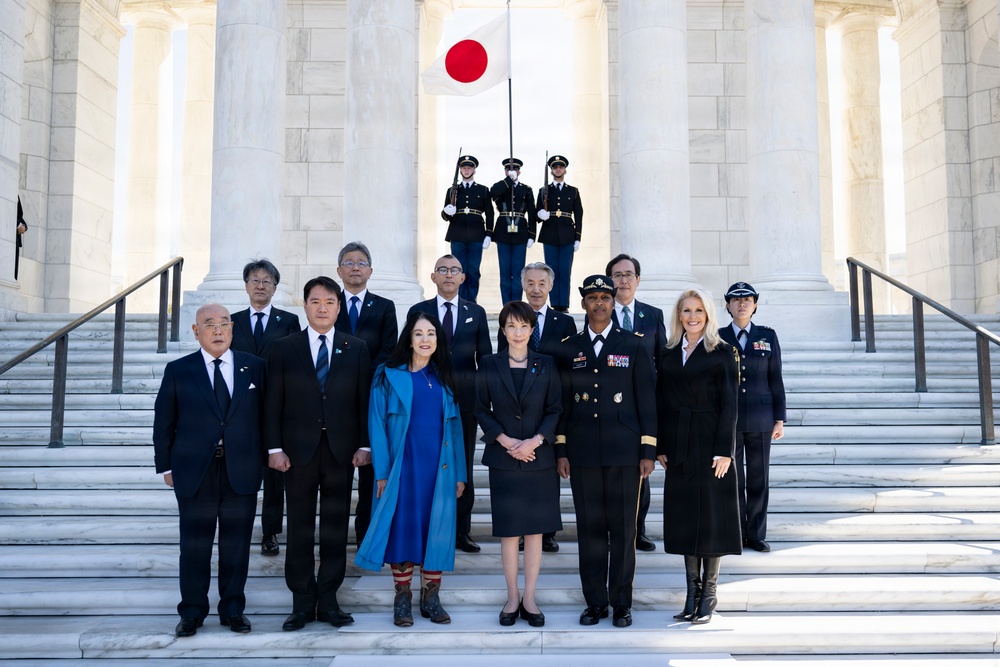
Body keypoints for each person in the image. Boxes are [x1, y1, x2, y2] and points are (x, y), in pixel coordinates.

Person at [264, 276, 371, 631]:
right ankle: (301, 602)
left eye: (329, 301)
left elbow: (363, 402)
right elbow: (272, 403)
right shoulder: (284, 348)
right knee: (298, 528)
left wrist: (365, 445)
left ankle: (328, 600)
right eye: (315, 301)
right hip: (297, 454)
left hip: (341, 453)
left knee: (335, 528)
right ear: (305, 305)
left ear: (339, 307)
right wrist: (275, 448)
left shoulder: (356, 348)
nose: (322, 307)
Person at [153, 303, 267, 637]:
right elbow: (164, 422)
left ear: (232, 329)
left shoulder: (254, 368)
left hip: (240, 470)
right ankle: (191, 611)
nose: (218, 331)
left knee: (236, 545)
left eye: (223, 324)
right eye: (209, 324)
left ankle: (233, 609)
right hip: (194, 472)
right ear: (195, 331)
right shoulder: (179, 370)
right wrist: (166, 466)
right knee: (194, 546)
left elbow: (265, 417)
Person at [555, 275, 657, 628]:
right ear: (583, 303)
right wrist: (562, 449)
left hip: (625, 453)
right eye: (592, 297)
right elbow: (563, 404)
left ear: (615, 302)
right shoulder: (569, 347)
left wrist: (648, 448)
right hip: (582, 453)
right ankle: (595, 602)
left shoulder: (634, 344)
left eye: (605, 297)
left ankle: (621, 603)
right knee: (590, 530)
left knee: (623, 531)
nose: (599, 303)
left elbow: (647, 398)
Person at [355, 312, 467, 627]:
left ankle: (431, 597)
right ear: (409, 338)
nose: (425, 339)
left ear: (438, 340)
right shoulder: (386, 375)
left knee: (436, 530)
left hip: (439, 468)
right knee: (403, 530)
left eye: (431, 333)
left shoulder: (445, 378)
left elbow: (456, 429)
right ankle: (402, 598)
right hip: (403, 468)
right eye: (418, 333)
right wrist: (382, 473)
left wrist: (460, 474)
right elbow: (376, 426)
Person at [475, 301, 563, 627]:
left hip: (539, 458)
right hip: (504, 458)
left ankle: (530, 597)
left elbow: (555, 409)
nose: (517, 332)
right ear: (503, 329)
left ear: (532, 329)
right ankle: (512, 597)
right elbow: (480, 408)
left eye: (524, 326)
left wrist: (536, 440)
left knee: (536, 532)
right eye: (511, 325)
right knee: (510, 533)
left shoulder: (547, 364)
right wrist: (506, 440)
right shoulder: (489, 363)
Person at [657, 288, 741, 625]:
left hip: (711, 444)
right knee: (686, 518)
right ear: (678, 316)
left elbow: (731, 405)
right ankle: (690, 593)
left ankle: (709, 594)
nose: (692, 317)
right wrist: (661, 445)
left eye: (698, 311)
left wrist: (725, 450)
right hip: (679, 444)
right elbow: (661, 402)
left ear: (708, 315)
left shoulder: (723, 352)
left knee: (711, 519)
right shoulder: (666, 354)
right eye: (686, 311)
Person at [408, 255, 491, 554]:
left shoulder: (476, 312)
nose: (448, 275)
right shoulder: (419, 311)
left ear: (463, 278)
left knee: (462, 464)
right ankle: (428, 527)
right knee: (428, 463)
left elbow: (486, 359)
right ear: (433, 277)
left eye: (454, 270)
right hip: (427, 400)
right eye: (442, 270)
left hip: (465, 402)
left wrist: (484, 401)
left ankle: (461, 530)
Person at [497, 262, 576, 553]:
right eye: (530, 282)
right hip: (518, 407)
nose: (536, 288)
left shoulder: (563, 322)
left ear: (551, 286)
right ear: (523, 285)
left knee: (548, 470)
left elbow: (569, 364)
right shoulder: (510, 319)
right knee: (519, 471)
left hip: (551, 407)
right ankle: (518, 529)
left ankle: (546, 530)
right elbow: (501, 360)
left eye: (542, 283)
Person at [229, 258, 301, 557]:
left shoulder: (288, 321)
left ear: (275, 287)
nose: (261, 285)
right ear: (246, 285)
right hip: (240, 410)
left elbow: (295, 364)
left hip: (276, 409)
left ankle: (270, 532)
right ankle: (238, 527)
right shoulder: (231, 321)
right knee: (241, 473)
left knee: (274, 477)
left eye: (267, 281)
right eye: (255, 280)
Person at [334, 241, 398, 546]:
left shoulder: (385, 307)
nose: (355, 267)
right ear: (339, 270)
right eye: (349, 262)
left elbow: (389, 350)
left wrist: (366, 380)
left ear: (370, 270)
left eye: (361, 262)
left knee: (372, 475)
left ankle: (368, 536)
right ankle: (334, 536)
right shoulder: (329, 305)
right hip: (336, 401)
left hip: (375, 399)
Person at [718, 282, 785, 553]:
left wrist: (779, 419)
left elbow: (775, 378)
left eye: (747, 299)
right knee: (733, 479)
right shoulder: (718, 336)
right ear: (727, 305)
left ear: (755, 304)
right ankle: (734, 531)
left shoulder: (767, 337)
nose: (742, 304)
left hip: (761, 418)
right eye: (736, 300)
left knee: (759, 477)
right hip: (729, 420)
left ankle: (755, 533)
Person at [606, 253, 667, 552]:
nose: (623, 280)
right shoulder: (600, 313)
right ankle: (611, 531)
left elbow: (663, 361)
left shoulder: (653, 315)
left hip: (644, 404)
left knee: (641, 469)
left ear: (638, 280)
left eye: (628, 274)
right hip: (610, 404)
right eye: (617, 275)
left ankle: (637, 530)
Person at [441, 155, 494, 303]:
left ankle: (471, 301)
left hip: (477, 234)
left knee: (473, 271)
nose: (466, 170)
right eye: (464, 167)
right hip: (457, 234)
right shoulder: (452, 190)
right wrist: (447, 211)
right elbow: (445, 215)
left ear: (474, 170)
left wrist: (489, 234)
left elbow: (490, 213)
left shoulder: (483, 190)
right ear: (460, 170)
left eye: (469, 167)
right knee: (458, 270)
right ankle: (459, 300)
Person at [536, 155, 583, 313]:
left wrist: (578, 237)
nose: (558, 169)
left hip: (567, 234)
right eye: (555, 167)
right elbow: (536, 213)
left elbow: (579, 215)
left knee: (564, 271)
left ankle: (563, 305)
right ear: (551, 171)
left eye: (560, 167)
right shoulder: (543, 191)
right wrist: (540, 214)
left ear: (565, 170)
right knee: (551, 272)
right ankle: (554, 303)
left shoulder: (573, 191)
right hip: (549, 233)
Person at [490, 158, 537, 304]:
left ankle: (516, 304)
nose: (512, 172)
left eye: (515, 169)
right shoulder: (501, 186)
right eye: (509, 170)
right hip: (503, 231)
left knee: (518, 272)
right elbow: (492, 193)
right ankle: (506, 305)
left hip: (521, 232)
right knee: (505, 272)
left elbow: (532, 213)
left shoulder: (526, 189)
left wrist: (532, 234)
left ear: (519, 171)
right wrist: (508, 181)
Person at [15, 197, 27, 280]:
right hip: (9, 234)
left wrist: (24, 226)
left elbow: (19, 215)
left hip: (15, 237)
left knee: (14, 271)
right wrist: (18, 225)